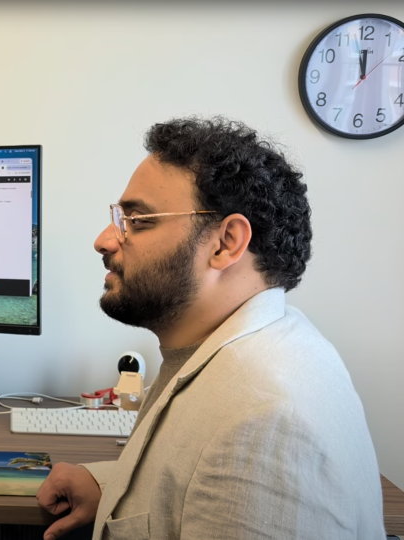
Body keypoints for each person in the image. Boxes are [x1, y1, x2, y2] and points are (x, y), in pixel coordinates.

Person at [37, 117, 384, 540]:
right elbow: (196, 473)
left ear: (225, 243)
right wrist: (106, 487)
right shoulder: (257, 343)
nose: (105, 240)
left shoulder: (265, 422)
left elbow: (243, 470)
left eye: (138, 220)